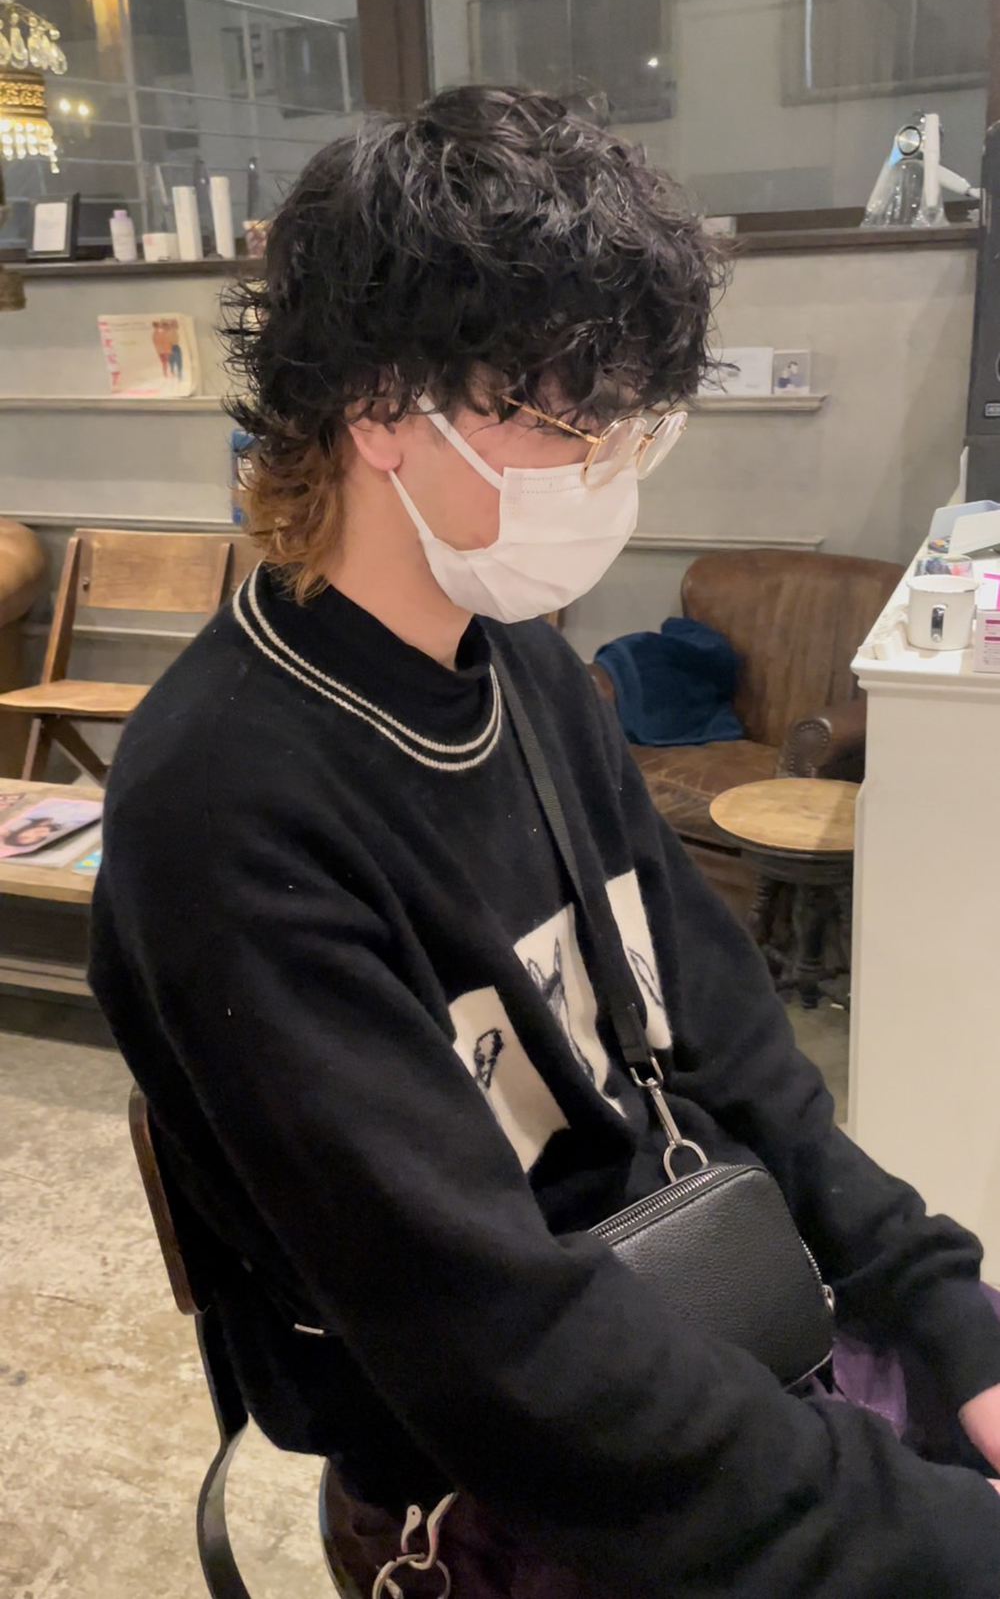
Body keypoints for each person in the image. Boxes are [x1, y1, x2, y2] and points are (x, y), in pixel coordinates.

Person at [89, 87, 1000, 1598]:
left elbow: (741, 1060)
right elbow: (498, 1346)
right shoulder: (223, 811)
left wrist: (949, 1315)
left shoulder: (524, 669)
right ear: (382, 408)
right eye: (576, 422)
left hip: (704, 1324)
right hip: (506, 1466)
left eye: (639, 421)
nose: (615, 468)